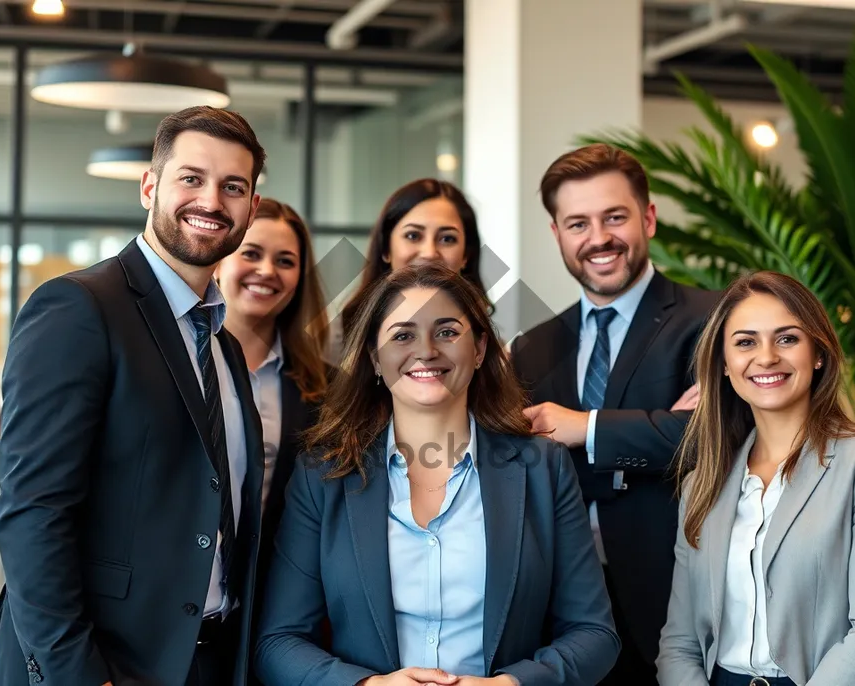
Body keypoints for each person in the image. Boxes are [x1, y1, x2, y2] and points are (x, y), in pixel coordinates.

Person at [0, 106, 268, 686]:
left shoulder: (224, 347)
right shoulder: (79, 308)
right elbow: (32, 514)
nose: (211, 201)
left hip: (206, 659)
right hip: (99, 664)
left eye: (232, 187)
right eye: (191, 178)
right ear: (149, 186)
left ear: (251, 208)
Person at [254, 262, 620, 686]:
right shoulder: (323, 476)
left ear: (480, 349)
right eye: (402, 335)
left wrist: (512, 684)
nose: (426, 351)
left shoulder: (544, 468)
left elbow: (594, 634)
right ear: (375, 357)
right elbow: (279, 642)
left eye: (447, 332)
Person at [509, 143, 719, 684]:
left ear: (648, 218)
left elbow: (716, 439)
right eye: (577, 223)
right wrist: (658, 433)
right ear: (556, 234)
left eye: (615, 217)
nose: (598, 238)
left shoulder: (712, 321)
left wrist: (585, 429)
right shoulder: (533, 347)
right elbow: (520, 463)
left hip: (675, 595)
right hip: (563, 603)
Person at [656, 270, 855, 686]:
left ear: (818, 353)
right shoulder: (701, 485)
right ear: (724, 364)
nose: (765, 357)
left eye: (787, 338)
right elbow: (679, 642)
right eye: (745, 342)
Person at [213, 197, 333, 580]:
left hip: (269, 603)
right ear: (219, 263)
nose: (267, 271)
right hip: (167, 600)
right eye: (251, 253)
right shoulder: (175, 360)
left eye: (285, 261)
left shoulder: (328, 389)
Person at [331, 178, 488, 361]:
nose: (429, 253)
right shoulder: (336, 344)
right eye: (413, 236)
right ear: (385, 249)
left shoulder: (490, 347)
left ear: (466, 255)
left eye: (447, 239)